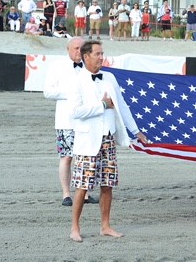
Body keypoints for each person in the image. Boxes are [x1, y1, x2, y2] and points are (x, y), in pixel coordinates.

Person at [67, 41, 148, 242]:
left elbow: (122, 106)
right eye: (98, 54)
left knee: (107, 184)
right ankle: (75, 228)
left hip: (108, 139)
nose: (102, 57)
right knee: (82, 185)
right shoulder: (76, 81)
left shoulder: (110, 77)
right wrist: (101, 105)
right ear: (86, 57)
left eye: (102, 53)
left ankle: (105, 226)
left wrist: (136, 131)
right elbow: (75, 112)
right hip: (87, 142)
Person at [43, 37, 93, 206]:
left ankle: (84, 193)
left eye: (82, 48)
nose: (79, 51)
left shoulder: (90, 66)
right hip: (66, 120)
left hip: (87, 120)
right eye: (76, 48)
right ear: (68, 49)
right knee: (66, 157)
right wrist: (73, 93)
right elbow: (48, 92)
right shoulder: (57, 66)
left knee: (85, 157)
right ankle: (66, 194)